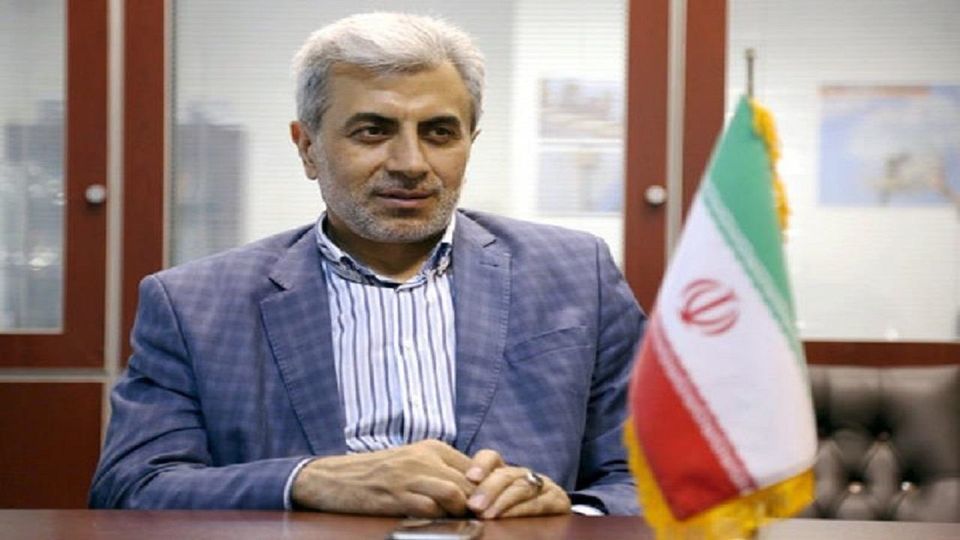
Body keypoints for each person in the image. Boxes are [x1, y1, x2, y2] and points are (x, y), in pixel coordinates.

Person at [89, 12, 645, 519]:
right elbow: (131, 487)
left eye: (439, 132)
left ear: (470, 142)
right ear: (307, 147)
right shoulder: (194, 305)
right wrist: (309, 480)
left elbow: (658, 479)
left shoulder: (576, 275)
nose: (411, 163)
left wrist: (571, 512)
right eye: (373, 131)